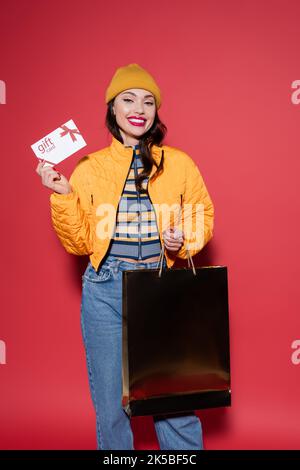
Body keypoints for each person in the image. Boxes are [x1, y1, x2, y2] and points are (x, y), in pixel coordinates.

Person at [35, 63, 214, 450]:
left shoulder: (178, 163)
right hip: (104, 289)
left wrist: (183, 238)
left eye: (148, 101)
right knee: (111, 407)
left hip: (161, 286)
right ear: (112, 109)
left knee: (174, 400)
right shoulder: (88, 168)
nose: (139, 107)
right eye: (128, 99)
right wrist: (63, 195)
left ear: (155, 112)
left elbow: (201, 213)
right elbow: (79, 243)